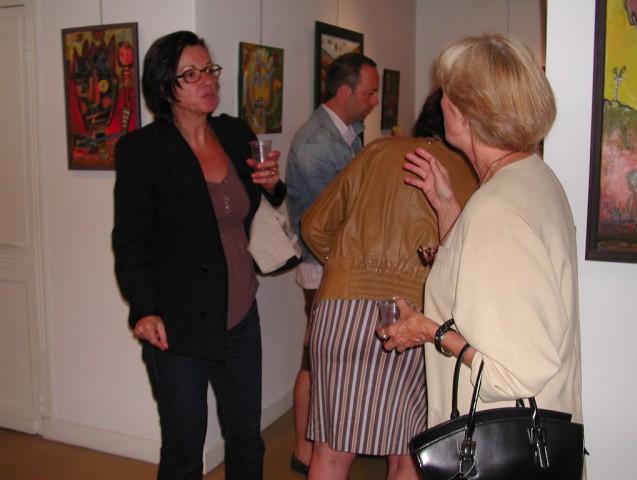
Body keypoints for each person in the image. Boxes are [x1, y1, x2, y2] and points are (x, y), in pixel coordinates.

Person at [383, 32, 584, 451]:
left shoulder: (497, 209)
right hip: (539, 434)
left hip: (503, 443)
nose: (441, 101)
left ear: (465, 112)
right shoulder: (531, 175)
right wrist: (447, 208)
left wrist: (429, 331)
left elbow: (514, 374)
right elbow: (483, 280)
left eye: (446, 91)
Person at [112, 31, 285, 480]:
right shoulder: (143, 151)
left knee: (247, 439)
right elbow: (129, 240)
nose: (207, 80)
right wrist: (143, 308)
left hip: (240, 314)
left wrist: (272, 184)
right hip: (178, 324)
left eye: (209, 69)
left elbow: (264, 197)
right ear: (164, 86)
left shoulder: (234, 133)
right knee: (184, 449)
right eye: (190, 74)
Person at [299, 90, 478, 480]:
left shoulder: (376, 152)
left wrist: (346, 266)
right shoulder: (471, 177)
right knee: (407, 455)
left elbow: (313, 226)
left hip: (339, 312)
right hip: (416, 320)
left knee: (330, 453)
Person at [285, 52, 379, 475]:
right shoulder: (314, 144)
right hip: (323, 266)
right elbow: (332, 219)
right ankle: (305, 452)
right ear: (345, 92)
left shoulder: (349, 133)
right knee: (316, 361)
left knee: (321, 358)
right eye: (370, 93)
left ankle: (315, 449)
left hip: (341, 265)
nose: (374, 101)